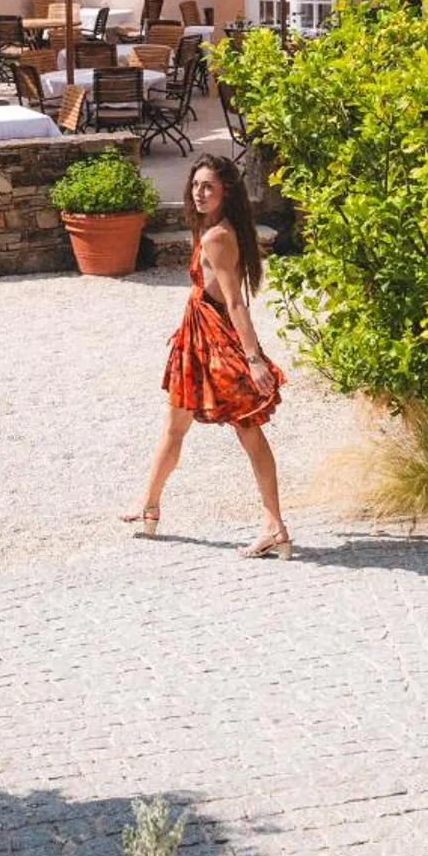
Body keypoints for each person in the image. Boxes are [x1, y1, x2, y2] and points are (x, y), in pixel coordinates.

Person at [123, 154, 291, 559]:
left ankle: (274, 526)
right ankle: (149, 503)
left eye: (208, 187)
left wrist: (253, 358)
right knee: (175, 426)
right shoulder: (216, 228)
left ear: (225, 192)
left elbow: (235, 301)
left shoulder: (217, 236)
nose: (199, 193)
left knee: (248, 430)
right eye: (196, 185)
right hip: (197, 340)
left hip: (216, 342)